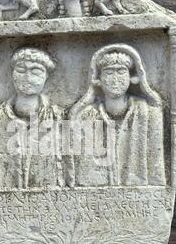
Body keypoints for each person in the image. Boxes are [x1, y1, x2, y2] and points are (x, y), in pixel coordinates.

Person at [69, 44, 166, 187]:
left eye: (121, 72)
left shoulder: (149, 114)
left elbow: (156, 171)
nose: (115, 79)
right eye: (108, 73)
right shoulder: (86, 116)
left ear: (133, 77)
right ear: (98, 79)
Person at [0, 47, 64, 189]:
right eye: (21, 70)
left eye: (36, 71)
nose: (27, 78)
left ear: (46, 76)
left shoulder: (59, 118)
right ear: (12, 74)